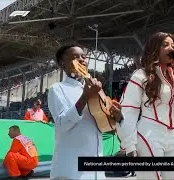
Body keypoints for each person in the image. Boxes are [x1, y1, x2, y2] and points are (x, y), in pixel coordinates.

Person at [117, 32, 174, 180]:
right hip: (148, 135)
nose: (170, 48)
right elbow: (128, 111)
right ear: (154, 48)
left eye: (172, 45)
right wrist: (130, 146)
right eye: (165, 45)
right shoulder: (140, 75)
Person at [47, 45, 123, 180]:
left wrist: (116, 116)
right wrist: (85, 97)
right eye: (75, 57)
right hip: (70, 170)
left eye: (84, 56)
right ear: (62, 64)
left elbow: (104, 126)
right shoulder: (57, 89)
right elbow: (62, 124)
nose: (82, 60)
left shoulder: (96, 91)